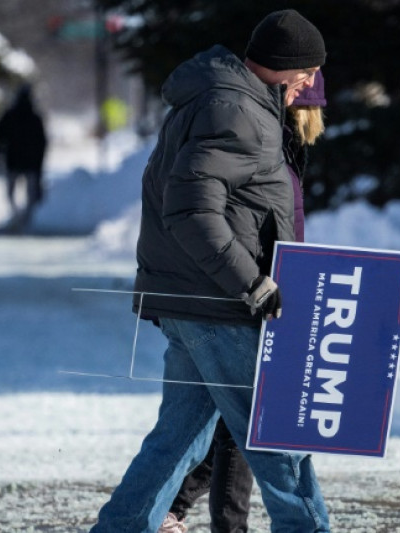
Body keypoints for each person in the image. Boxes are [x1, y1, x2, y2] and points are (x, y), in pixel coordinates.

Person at [90, 9, 329, 533]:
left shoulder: (219, 98)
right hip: (220, 306)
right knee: (277, 442)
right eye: (308, 73)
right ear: (286, 69)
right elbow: (191, 209)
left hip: (193, 300)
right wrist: (253, 282)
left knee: (176, 440)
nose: (311, 86)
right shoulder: (238, 112)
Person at [159, 70, 328, 533]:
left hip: (254, 288)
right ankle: (196, 517)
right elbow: (214, 212)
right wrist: (255, 281)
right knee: (253, 425)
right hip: (244, 293)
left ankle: (166, 511)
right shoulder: (256, 133)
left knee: (213, 426)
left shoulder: (278, 141)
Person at [0, 84, 48, 221]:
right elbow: (42, 142)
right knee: (27, 191)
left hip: (15, 160)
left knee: (14, 191)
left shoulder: (13, 116)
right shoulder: (33, 118)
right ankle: (24, 215)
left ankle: (20, 215)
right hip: (26, 161)